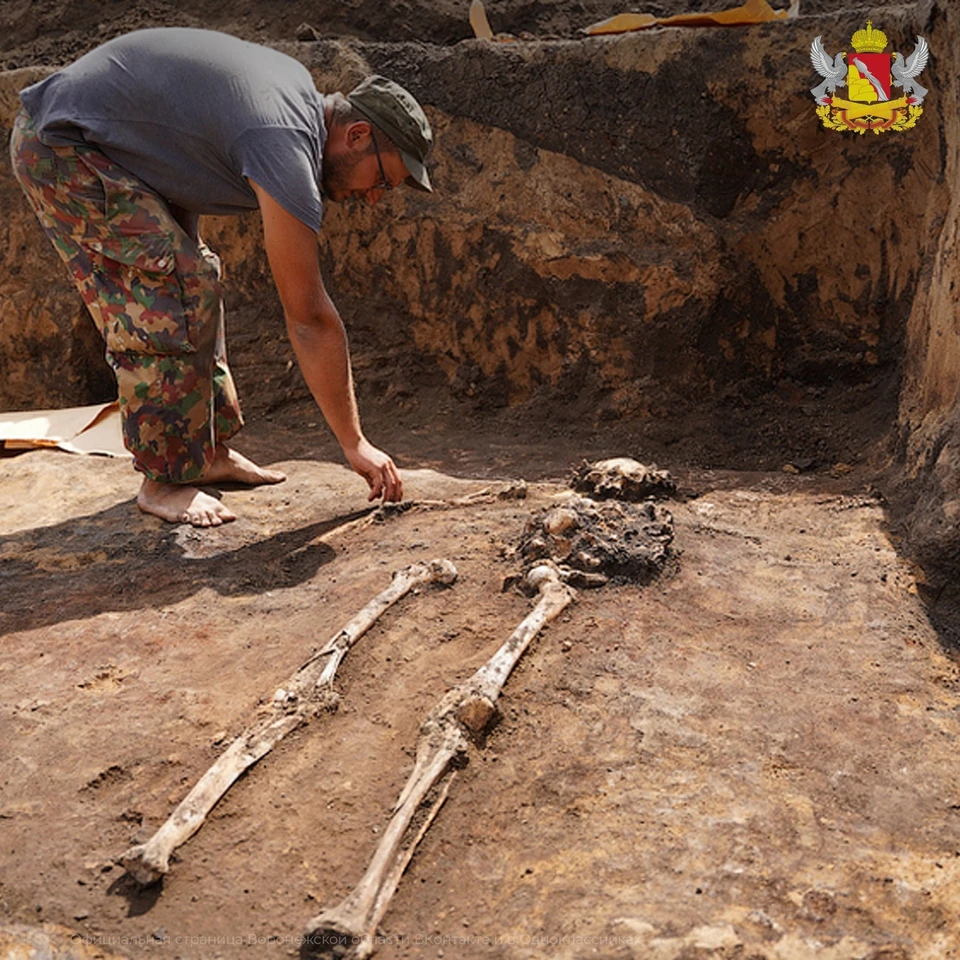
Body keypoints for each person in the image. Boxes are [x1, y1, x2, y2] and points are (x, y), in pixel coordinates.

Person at [9, 27, 433, 527]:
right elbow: (309, 317)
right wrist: (355, 443)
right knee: (170, 293)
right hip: (61, 145)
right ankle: (164, 478)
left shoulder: (297, 102)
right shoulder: (283, 140)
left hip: (109, 144)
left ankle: (204, 452)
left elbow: (179, 142)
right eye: (383, 179)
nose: (377, 197)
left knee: (195, 277)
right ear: (356, 135)